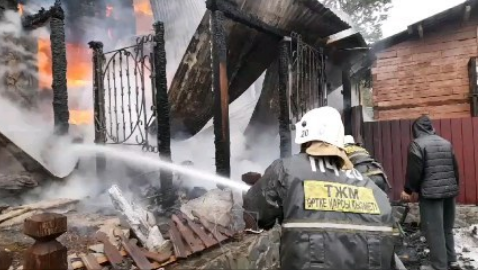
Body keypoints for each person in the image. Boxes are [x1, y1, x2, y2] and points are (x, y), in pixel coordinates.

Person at [243, 106, 397, 270]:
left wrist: (263, 187)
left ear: (305, 139)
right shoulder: (372, 189)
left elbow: (255, 212)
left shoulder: (285, 170)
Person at [400, 115, 460, 270]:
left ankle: (439, 266)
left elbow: (415, 171)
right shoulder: (446, 143)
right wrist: (454, 187)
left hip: (431, 194)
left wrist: (408, 189)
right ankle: (451, 259)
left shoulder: (417, 144)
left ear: (416, 129)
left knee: (434, 231)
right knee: (447, 228)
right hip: (449, 191)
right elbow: (455, 169)